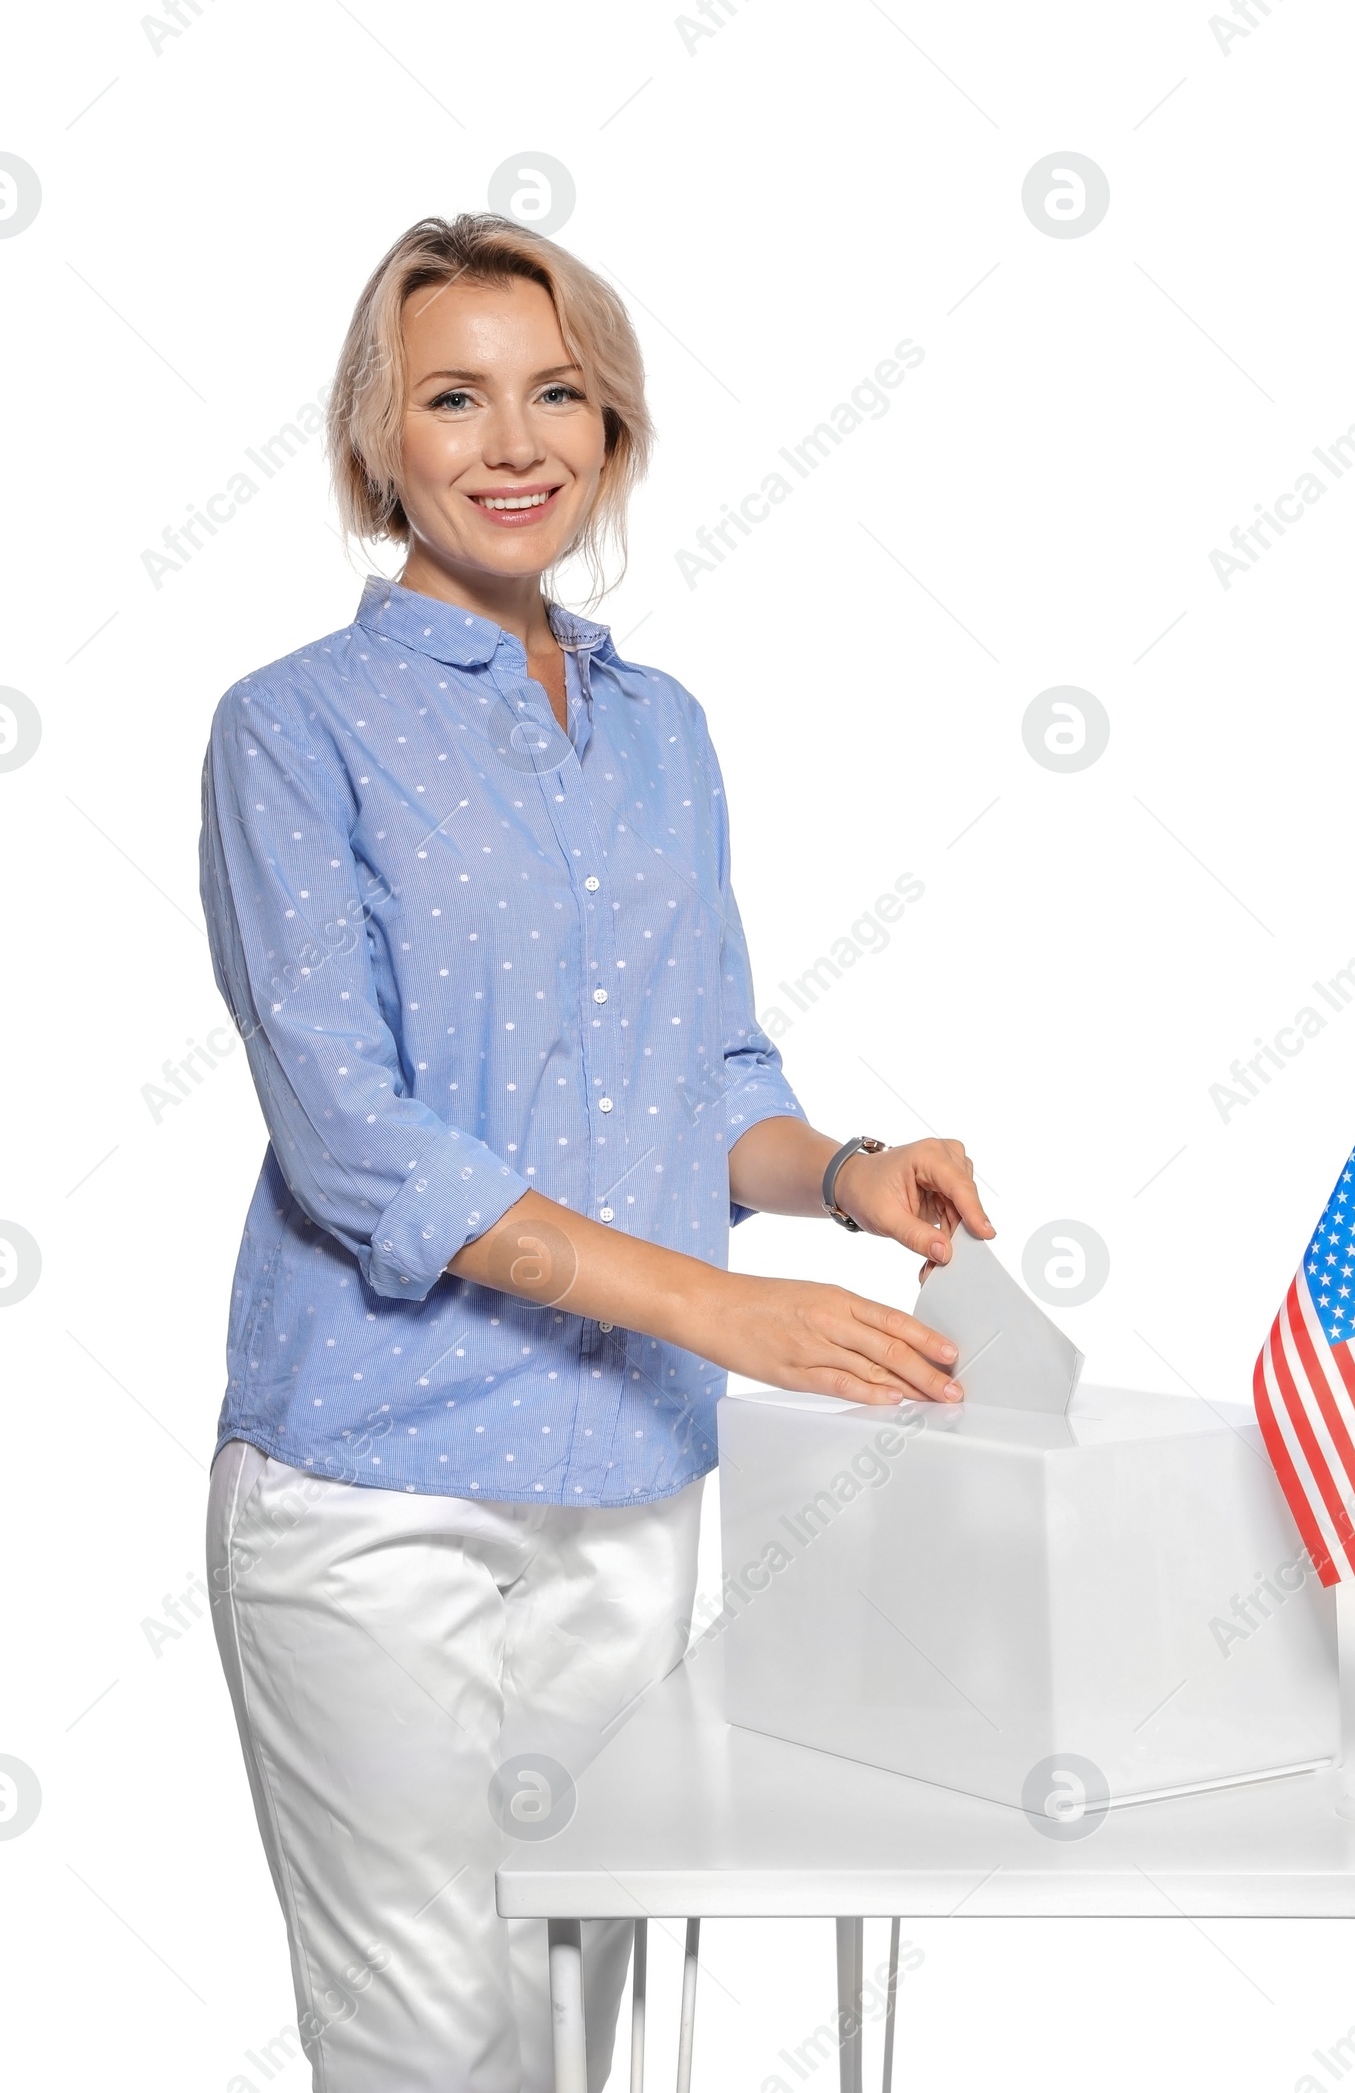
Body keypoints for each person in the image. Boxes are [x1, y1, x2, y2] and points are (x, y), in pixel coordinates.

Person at [199, 212, 992, 2093]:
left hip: (630, 1474)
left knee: (597, 2033)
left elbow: (705, 1070)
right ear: (376, 444)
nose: (513, 441)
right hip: (375, 1491)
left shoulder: (663, 734)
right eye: (452, 398)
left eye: (559, 392)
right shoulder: (291, 730)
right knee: (428, 2041)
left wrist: (848, 1171)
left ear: (616, 432)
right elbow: (360, 1145)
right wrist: (727, 1310)